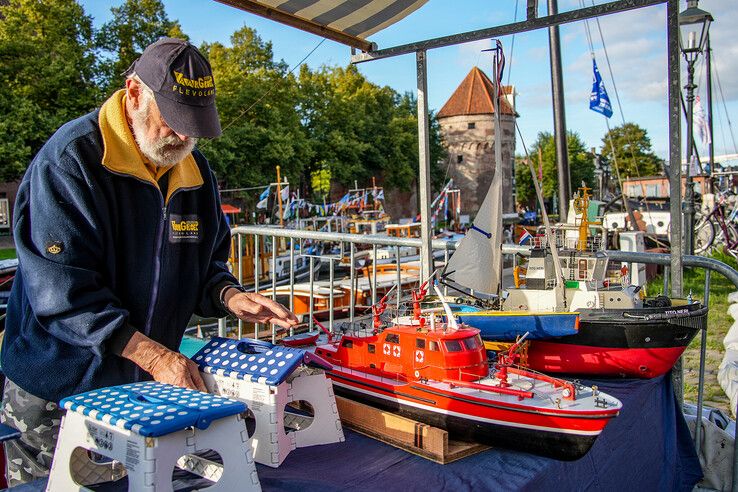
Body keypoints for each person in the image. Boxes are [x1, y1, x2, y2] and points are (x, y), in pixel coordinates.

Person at [0, 37, 298, 486]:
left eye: (195, 125)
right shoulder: (70, 162)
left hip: (138, 388)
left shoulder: (195, 172)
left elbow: (206, 263)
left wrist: (230, 296)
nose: (184, 137)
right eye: (174, 120)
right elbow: (63, 295)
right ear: (134, 92)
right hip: (57, 383)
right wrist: (158, 358)